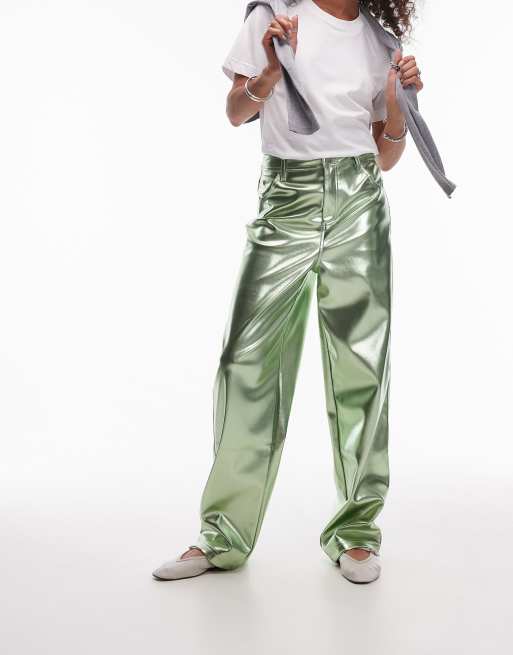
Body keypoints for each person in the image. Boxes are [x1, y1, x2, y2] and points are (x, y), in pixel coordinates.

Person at [153, 0, 423, 584]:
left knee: (362, 370)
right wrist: (269, 76)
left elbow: (385, 156)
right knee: (244, 362)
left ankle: (356, 534)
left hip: (359, 203)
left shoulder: (380, 43)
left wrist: (398, 109)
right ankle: (223, 536)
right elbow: (235, 112)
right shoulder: (273, 17)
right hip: (287, 200)